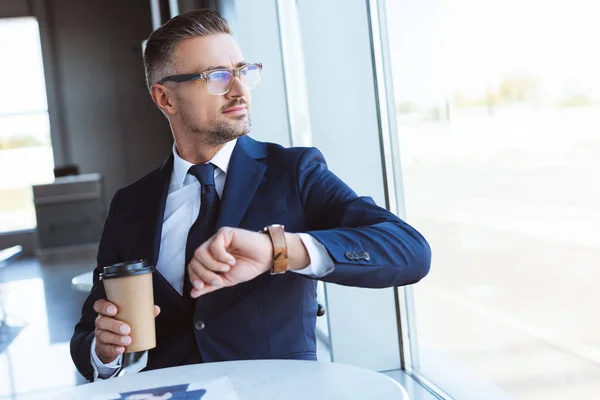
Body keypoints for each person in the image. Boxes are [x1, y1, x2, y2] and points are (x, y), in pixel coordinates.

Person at [70, 9, 431, 382]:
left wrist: (279, 250)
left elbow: (410, 250)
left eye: (243, 71)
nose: (239, 89)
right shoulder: (131, 204)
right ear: (165, 99)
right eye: (217, 77)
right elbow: (86, 331)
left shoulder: (295, 171)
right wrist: (103, 351)